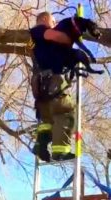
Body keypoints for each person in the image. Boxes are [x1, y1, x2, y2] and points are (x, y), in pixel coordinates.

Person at [29, 12, 75, 162]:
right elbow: (57, 37)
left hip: (41, 88)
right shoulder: (40, 30)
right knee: (65, 112)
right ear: (43, 19)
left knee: (48, 119)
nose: (55, 24)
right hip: (52, 83)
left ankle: (40, 146)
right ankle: (60, 151)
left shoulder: (36, 41)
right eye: (53, 21)